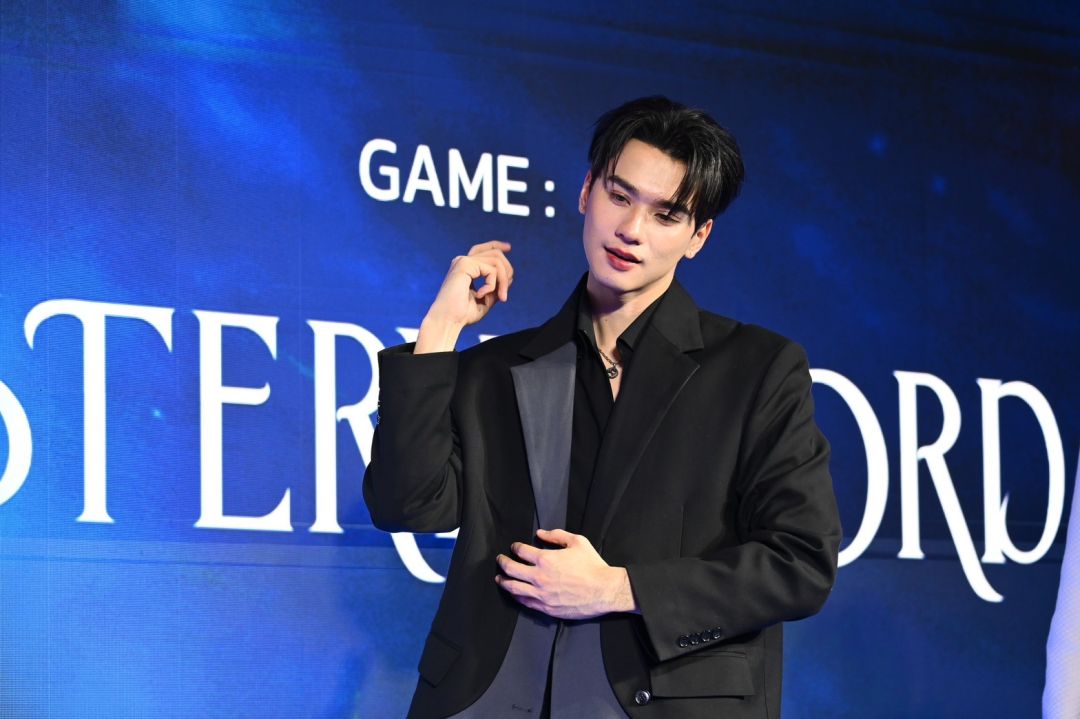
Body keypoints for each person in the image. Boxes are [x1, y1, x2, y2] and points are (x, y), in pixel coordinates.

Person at [364, 96, 842, 718]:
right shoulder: (496, 370)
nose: (631, 230)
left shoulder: (756, 369)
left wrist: (619, 588)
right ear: (587, 191)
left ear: (698, 237)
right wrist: (439, 333)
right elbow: (406, 504)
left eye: (667, 215)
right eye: (620, 196)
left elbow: (800, 563)